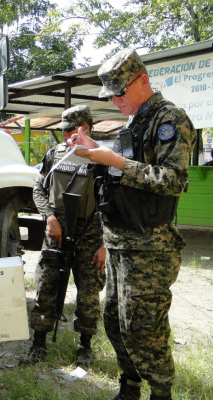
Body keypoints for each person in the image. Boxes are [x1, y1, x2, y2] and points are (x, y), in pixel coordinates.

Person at [69, 48, 197, 400]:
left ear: (143, 81)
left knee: (143, 326)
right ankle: (130, 386)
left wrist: (116, 162)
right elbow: (123, 166)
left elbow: (173, 180)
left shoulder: (171, 119)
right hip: (120, 241)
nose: (115, 99)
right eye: (110, 94)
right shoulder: (133, 123)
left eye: (120, 92)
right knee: (114, 321)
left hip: (150, 245)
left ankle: (161, 391)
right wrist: (94, 148)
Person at [21, 105, 106, 367]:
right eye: (64, 130)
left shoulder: (102, 157)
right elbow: (38, 189)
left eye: (71, 130)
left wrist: (104, 244)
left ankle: (85, 346)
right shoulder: (54, 154)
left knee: (89, 292)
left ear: (86, 128)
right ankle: (38, 343)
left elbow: (112, 203)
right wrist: (49, 217)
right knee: (47, 285)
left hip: (90, 232)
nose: (67, 135)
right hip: (56, 230)